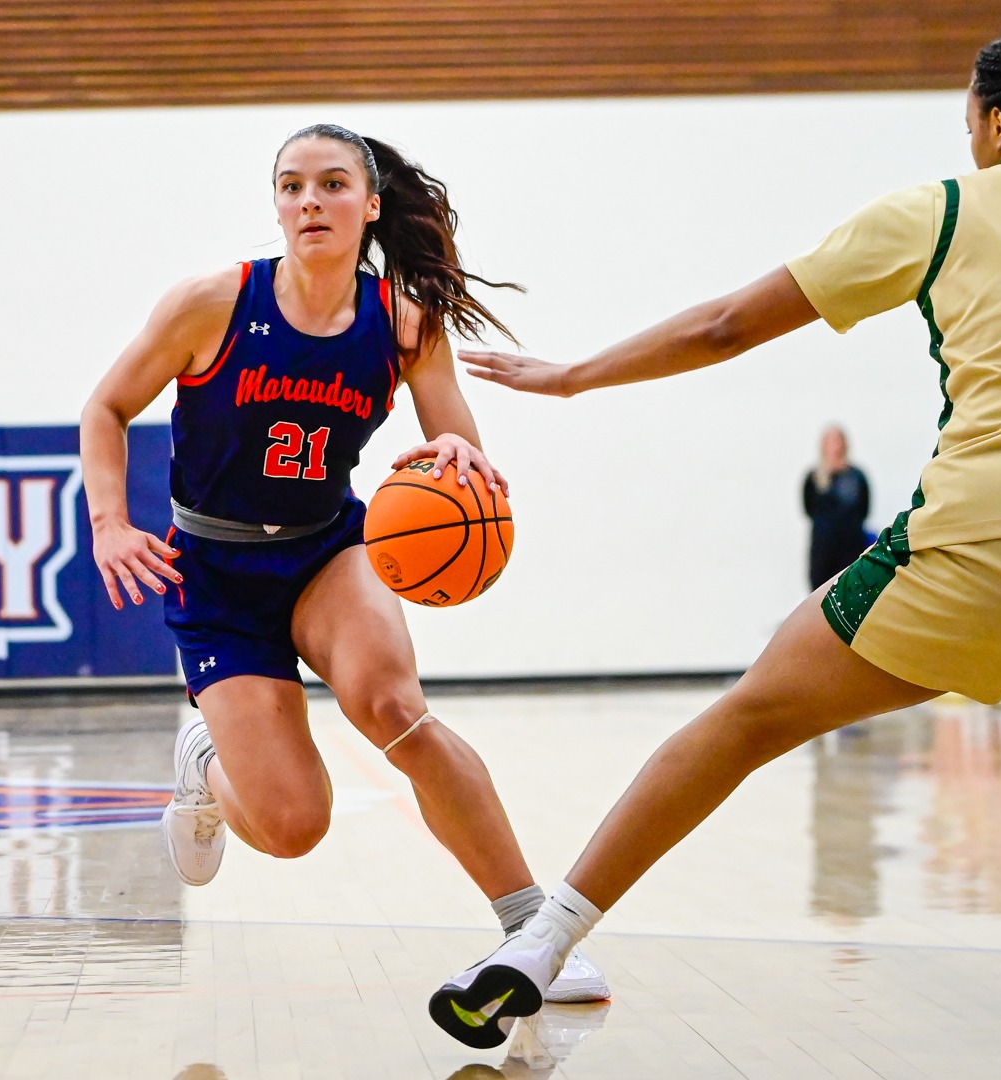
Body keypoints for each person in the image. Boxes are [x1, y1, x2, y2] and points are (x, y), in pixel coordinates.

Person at [428, 21, 1001, 1047]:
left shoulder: (941, 210)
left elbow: (724, 326)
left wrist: (575, 376)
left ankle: (540, 945)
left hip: (981, 544)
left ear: (998, 124)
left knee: (744, 721)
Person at [80, 124, 607, 1003]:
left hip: (327, 549)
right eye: (291, 186)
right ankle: (204, 761)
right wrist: (108, 522)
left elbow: (458, 444)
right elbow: (105, 407)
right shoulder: (212, 303)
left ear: (369, 206)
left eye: (331, 184)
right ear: (276, 208)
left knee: (398, 711)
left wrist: (456, 456)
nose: (309, 201)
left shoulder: (403, 322)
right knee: (292, 827)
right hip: (216, 575)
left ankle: (532, 932)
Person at [803, 426, 872, 590]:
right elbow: (808, 508)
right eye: (830, 441)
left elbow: (864, 509)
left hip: (851, 548)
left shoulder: (856, 476)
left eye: (838, 441)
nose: (835, 446)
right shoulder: (813, 477)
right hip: (823, 549)